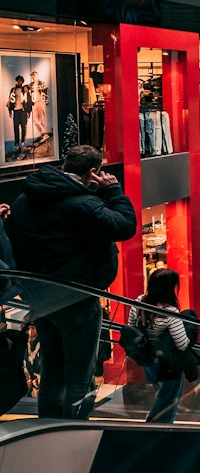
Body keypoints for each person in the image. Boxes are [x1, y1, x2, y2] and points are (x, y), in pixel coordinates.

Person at [7, 144, 137, 419]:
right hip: (76, 297)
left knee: (53, 370)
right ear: (93, 172)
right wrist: (113, 190)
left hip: (41, 298)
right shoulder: (81, 205)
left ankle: (49, 427)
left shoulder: (24, 200)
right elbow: (125, 225)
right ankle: (75, 428)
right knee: (80, 373)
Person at [128, 268, 199, 425]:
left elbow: (131, 328)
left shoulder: (138, 302)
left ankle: (161, 415)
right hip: (167, 364)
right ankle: (157, 427)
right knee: (168, 401)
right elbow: (182, 345)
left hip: (146, 359)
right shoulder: (170, 313)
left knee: (163, 393)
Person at [6, 74, 32, 154]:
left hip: (23, 111)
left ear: (23, 81)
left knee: (23, 127)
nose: (20, 82)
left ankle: (23, 142)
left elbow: (28, 100)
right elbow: (10, 100)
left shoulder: (25, 89)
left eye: (21, 80)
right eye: (18, 80)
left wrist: (28, 111)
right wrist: (9, 110)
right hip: (16, 111)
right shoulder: (13, 89)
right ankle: (16, 143)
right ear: (17, 81)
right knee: (16, 128)